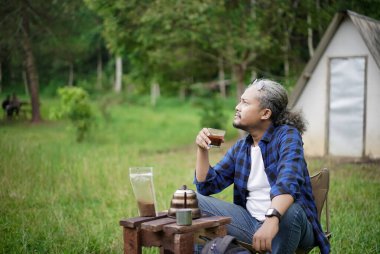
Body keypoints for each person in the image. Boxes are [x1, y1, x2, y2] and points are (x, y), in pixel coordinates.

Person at [194, 79, 330, 254]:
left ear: (265, 113)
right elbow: (207, 186)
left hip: (290, 224)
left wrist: (272, 219)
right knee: (190, 199)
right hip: (250, 223)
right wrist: (202, 150)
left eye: (245, 102)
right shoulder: (242, 147)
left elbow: (288, 182)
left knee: (290, 211)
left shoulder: (288, 136)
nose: (237, 106)